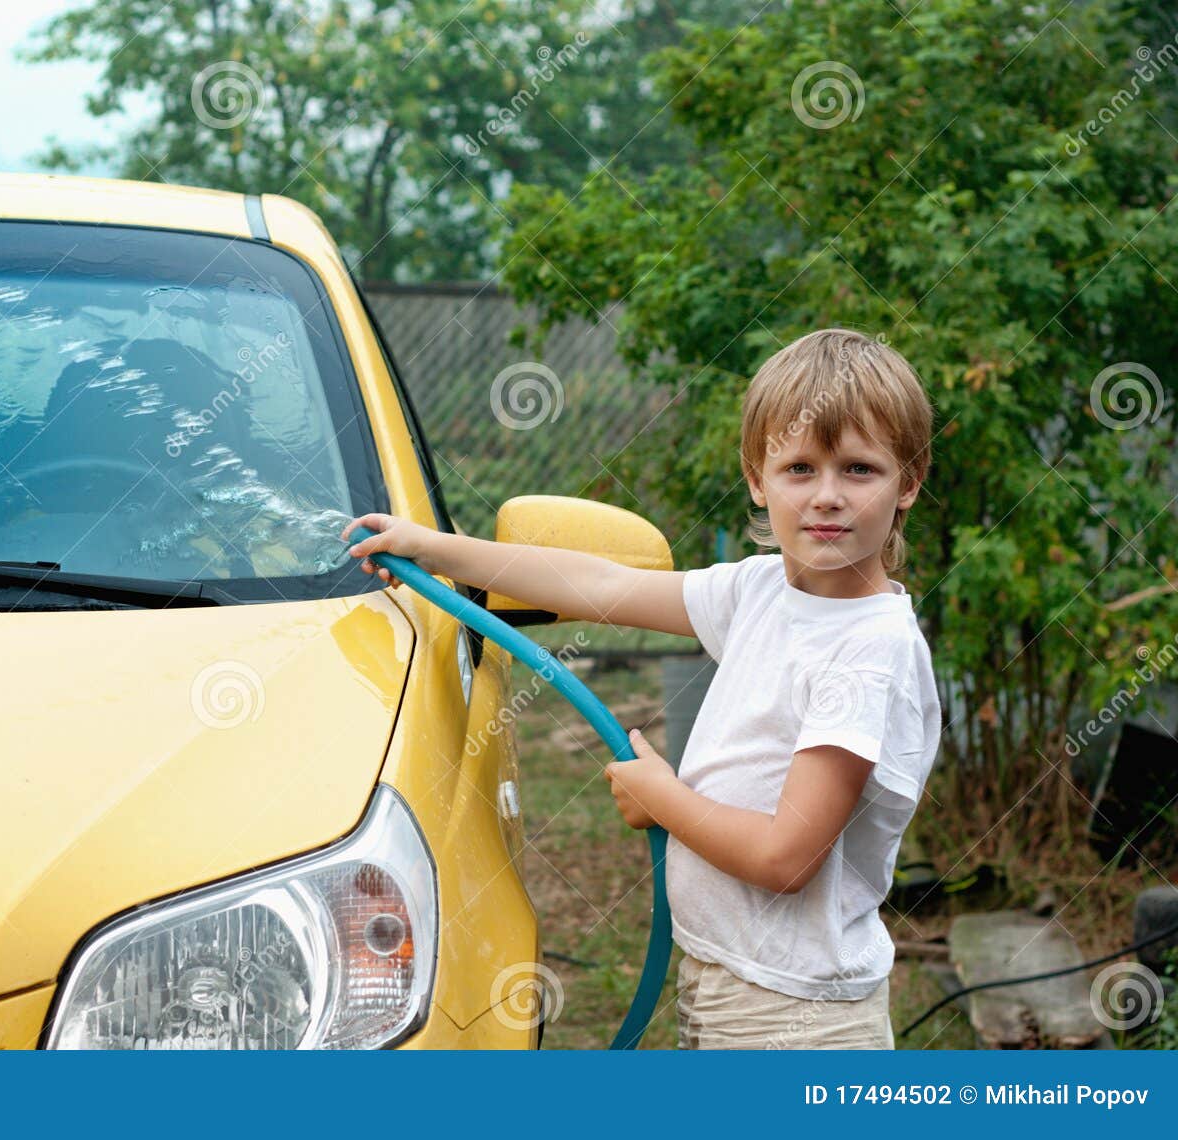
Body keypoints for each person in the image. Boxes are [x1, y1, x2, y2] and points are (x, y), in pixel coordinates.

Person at [340, 327, 941, 1050]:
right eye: (801, 468)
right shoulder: (761, 590)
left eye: (860, 470)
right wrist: (432, 548)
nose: (828, 497)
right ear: (757, 477)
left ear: (908, 481)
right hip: (732, 978)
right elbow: (603, 583)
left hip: (793, 1016)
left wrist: (663, 798)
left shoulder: (865, 653)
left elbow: (788, 859)